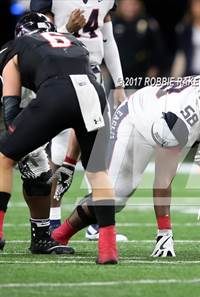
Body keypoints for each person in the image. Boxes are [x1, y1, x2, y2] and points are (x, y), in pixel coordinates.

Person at [53, 67, 200, 257]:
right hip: (137, 120)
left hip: (183, 123)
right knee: (116, 194)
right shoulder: (180, 114)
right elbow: (163, 178)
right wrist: (164, 233)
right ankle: (60, 235)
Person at [0, 13, 118, 264]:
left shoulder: (17, 48)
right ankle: (108, 249)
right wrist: (68, 160)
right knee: (98, 172)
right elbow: (81, 105)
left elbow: (10, 111)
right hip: (92, 92)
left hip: (54, 94)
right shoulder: (72, 42)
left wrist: (17, 139)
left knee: (5, 157)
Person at [30, 0, 126, 241]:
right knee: (60, 153)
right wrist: (66, 30)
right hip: (61, 72)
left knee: (97, 155)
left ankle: (95, 221)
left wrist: (119, 83)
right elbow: (36, 41)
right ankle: (52, 221)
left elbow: (108, 40)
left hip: (93, 76)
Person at [113, 0, 165, 81]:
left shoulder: (148, 23)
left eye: (134, 4)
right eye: (126, 4)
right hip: (118, 71)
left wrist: (155, 67)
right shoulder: (112, 23)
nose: (130, 8)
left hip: (143, 72)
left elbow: (158, 48)